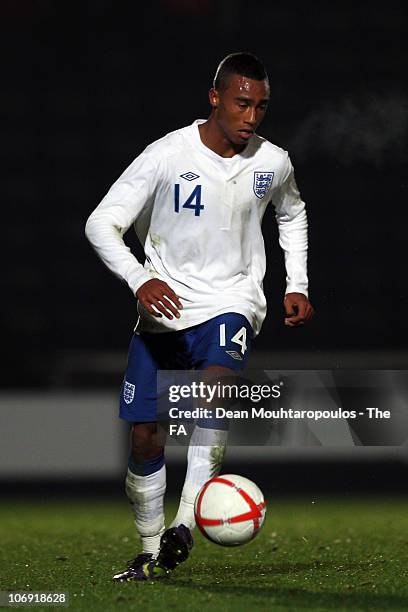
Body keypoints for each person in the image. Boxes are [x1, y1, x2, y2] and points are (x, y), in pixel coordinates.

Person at [85, 52, 314, 581]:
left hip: (232, 300)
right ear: (215, 98)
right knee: (147, 436)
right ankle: (150, 550)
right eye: (241, 103)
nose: (252, 117)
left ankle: (185, 523)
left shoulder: (272, 162)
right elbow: (101, 223)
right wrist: (141, 279)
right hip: (166, 307)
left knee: (213, 389)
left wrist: (296, 283)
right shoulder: (167, 155)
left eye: (261, 106)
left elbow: (293, 212)